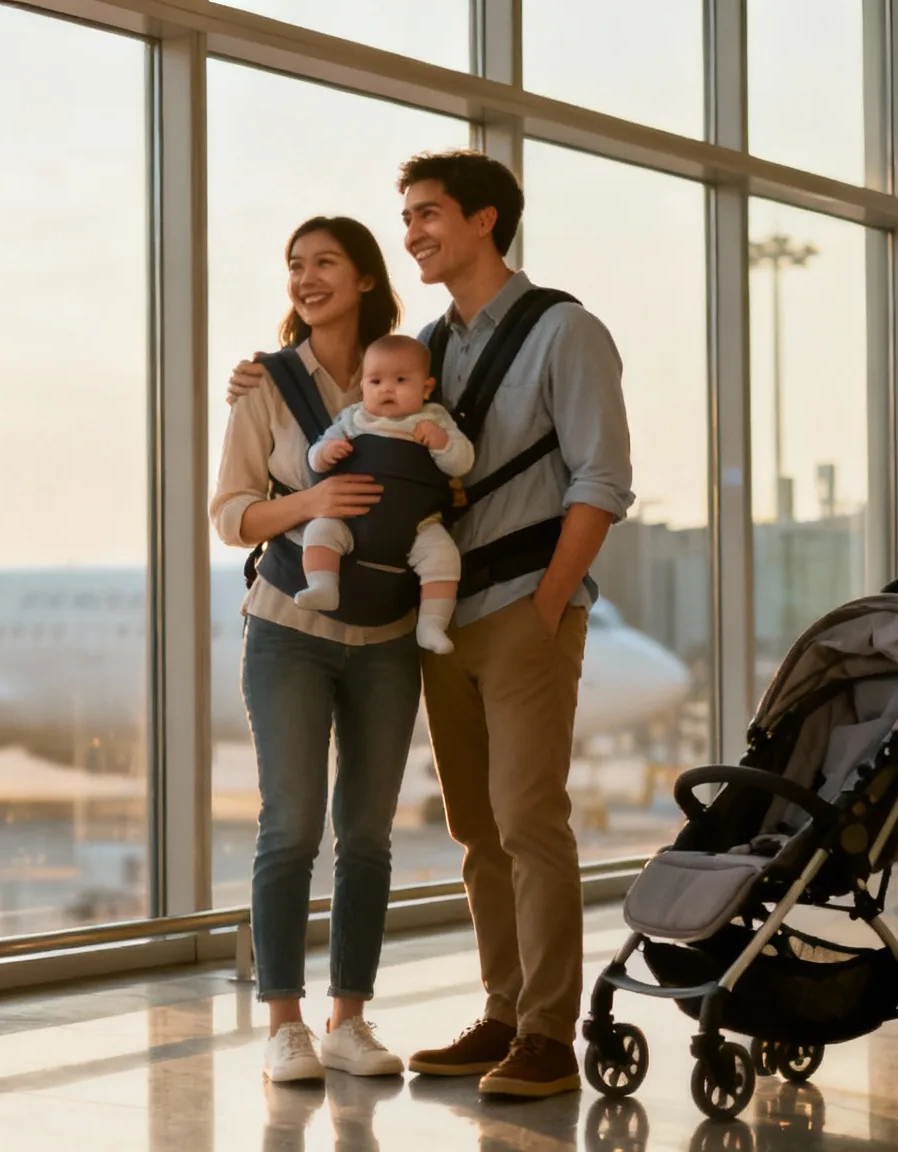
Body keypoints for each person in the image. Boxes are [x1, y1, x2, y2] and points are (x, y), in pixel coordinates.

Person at [226, 150, 634, 1099]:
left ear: (487, 220)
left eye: (428, 214)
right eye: (404, 217)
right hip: (440, 620)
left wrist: (546, 604)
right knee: (476, 828)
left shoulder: (565, 330)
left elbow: (601, 481)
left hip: (522, 609)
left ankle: (546, 1034)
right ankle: (501, 1011)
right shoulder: (432, 348)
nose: (412, 232)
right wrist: (263, 371)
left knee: (531, 819)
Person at [210, 215, 425, 1084]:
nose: (306, 278)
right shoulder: (266, 383)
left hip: (389, 635)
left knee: (368, 834)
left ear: (366, 276)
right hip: (289, 631)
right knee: (291, 826)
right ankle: (285, 1025)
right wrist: (312, 501)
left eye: (325, 262)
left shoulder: (408, 372)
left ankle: (350, 1019)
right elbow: (229, 516)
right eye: (295, 265)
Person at [294, 333, 474, 655]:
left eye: (400, 380)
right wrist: (325, 453)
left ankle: (431, 623)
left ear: (427, 388)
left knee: (444, 557)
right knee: (320, 530)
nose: (386, 389)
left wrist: (441, 443)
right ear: (363, 387)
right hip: (350, 520)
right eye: (375, 381)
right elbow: (314, 454)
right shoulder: (353, 419)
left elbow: (462, 462)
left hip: (418, 525)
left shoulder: (435, 419)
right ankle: (323, 584)